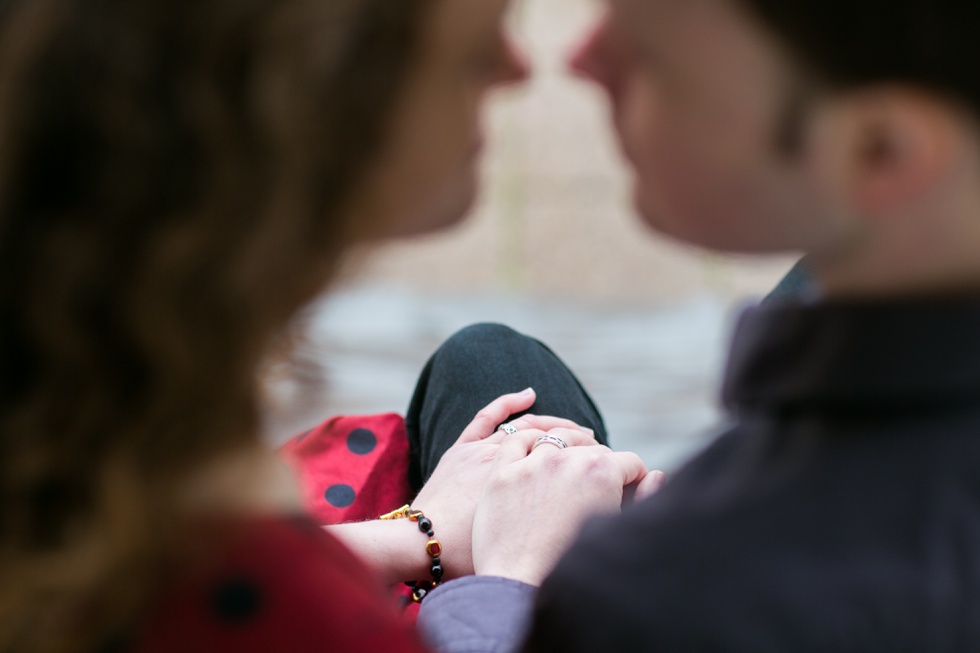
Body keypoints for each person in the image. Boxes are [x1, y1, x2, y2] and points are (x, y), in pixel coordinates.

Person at [0, 0, 655, 650]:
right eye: (474, 47)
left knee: (492, 368)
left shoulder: (108, 405)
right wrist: (518, 582)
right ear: (324, 100)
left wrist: (415, 532)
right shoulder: (285, 608)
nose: (517, 68)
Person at [418, 0, 980, 650]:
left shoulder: (650, 591)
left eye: (651, 56)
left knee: (489, 366)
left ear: (878, 149)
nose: (580, 60)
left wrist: (513, 582)